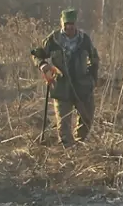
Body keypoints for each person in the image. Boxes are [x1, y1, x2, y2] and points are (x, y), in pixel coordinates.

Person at [31, 8, 100, 145]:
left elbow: (95, 59)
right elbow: (37, 54)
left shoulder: (84, 39)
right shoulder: (53, 39)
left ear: (75, 24)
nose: (69, 27)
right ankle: (67, 149)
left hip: (82, 87)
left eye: (72, 24)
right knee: (64, 125)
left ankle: (80, 143)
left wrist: (92, 79)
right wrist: (42, 64)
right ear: (62, 23)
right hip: (62, 87)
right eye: (66, 24)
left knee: (87, 119)